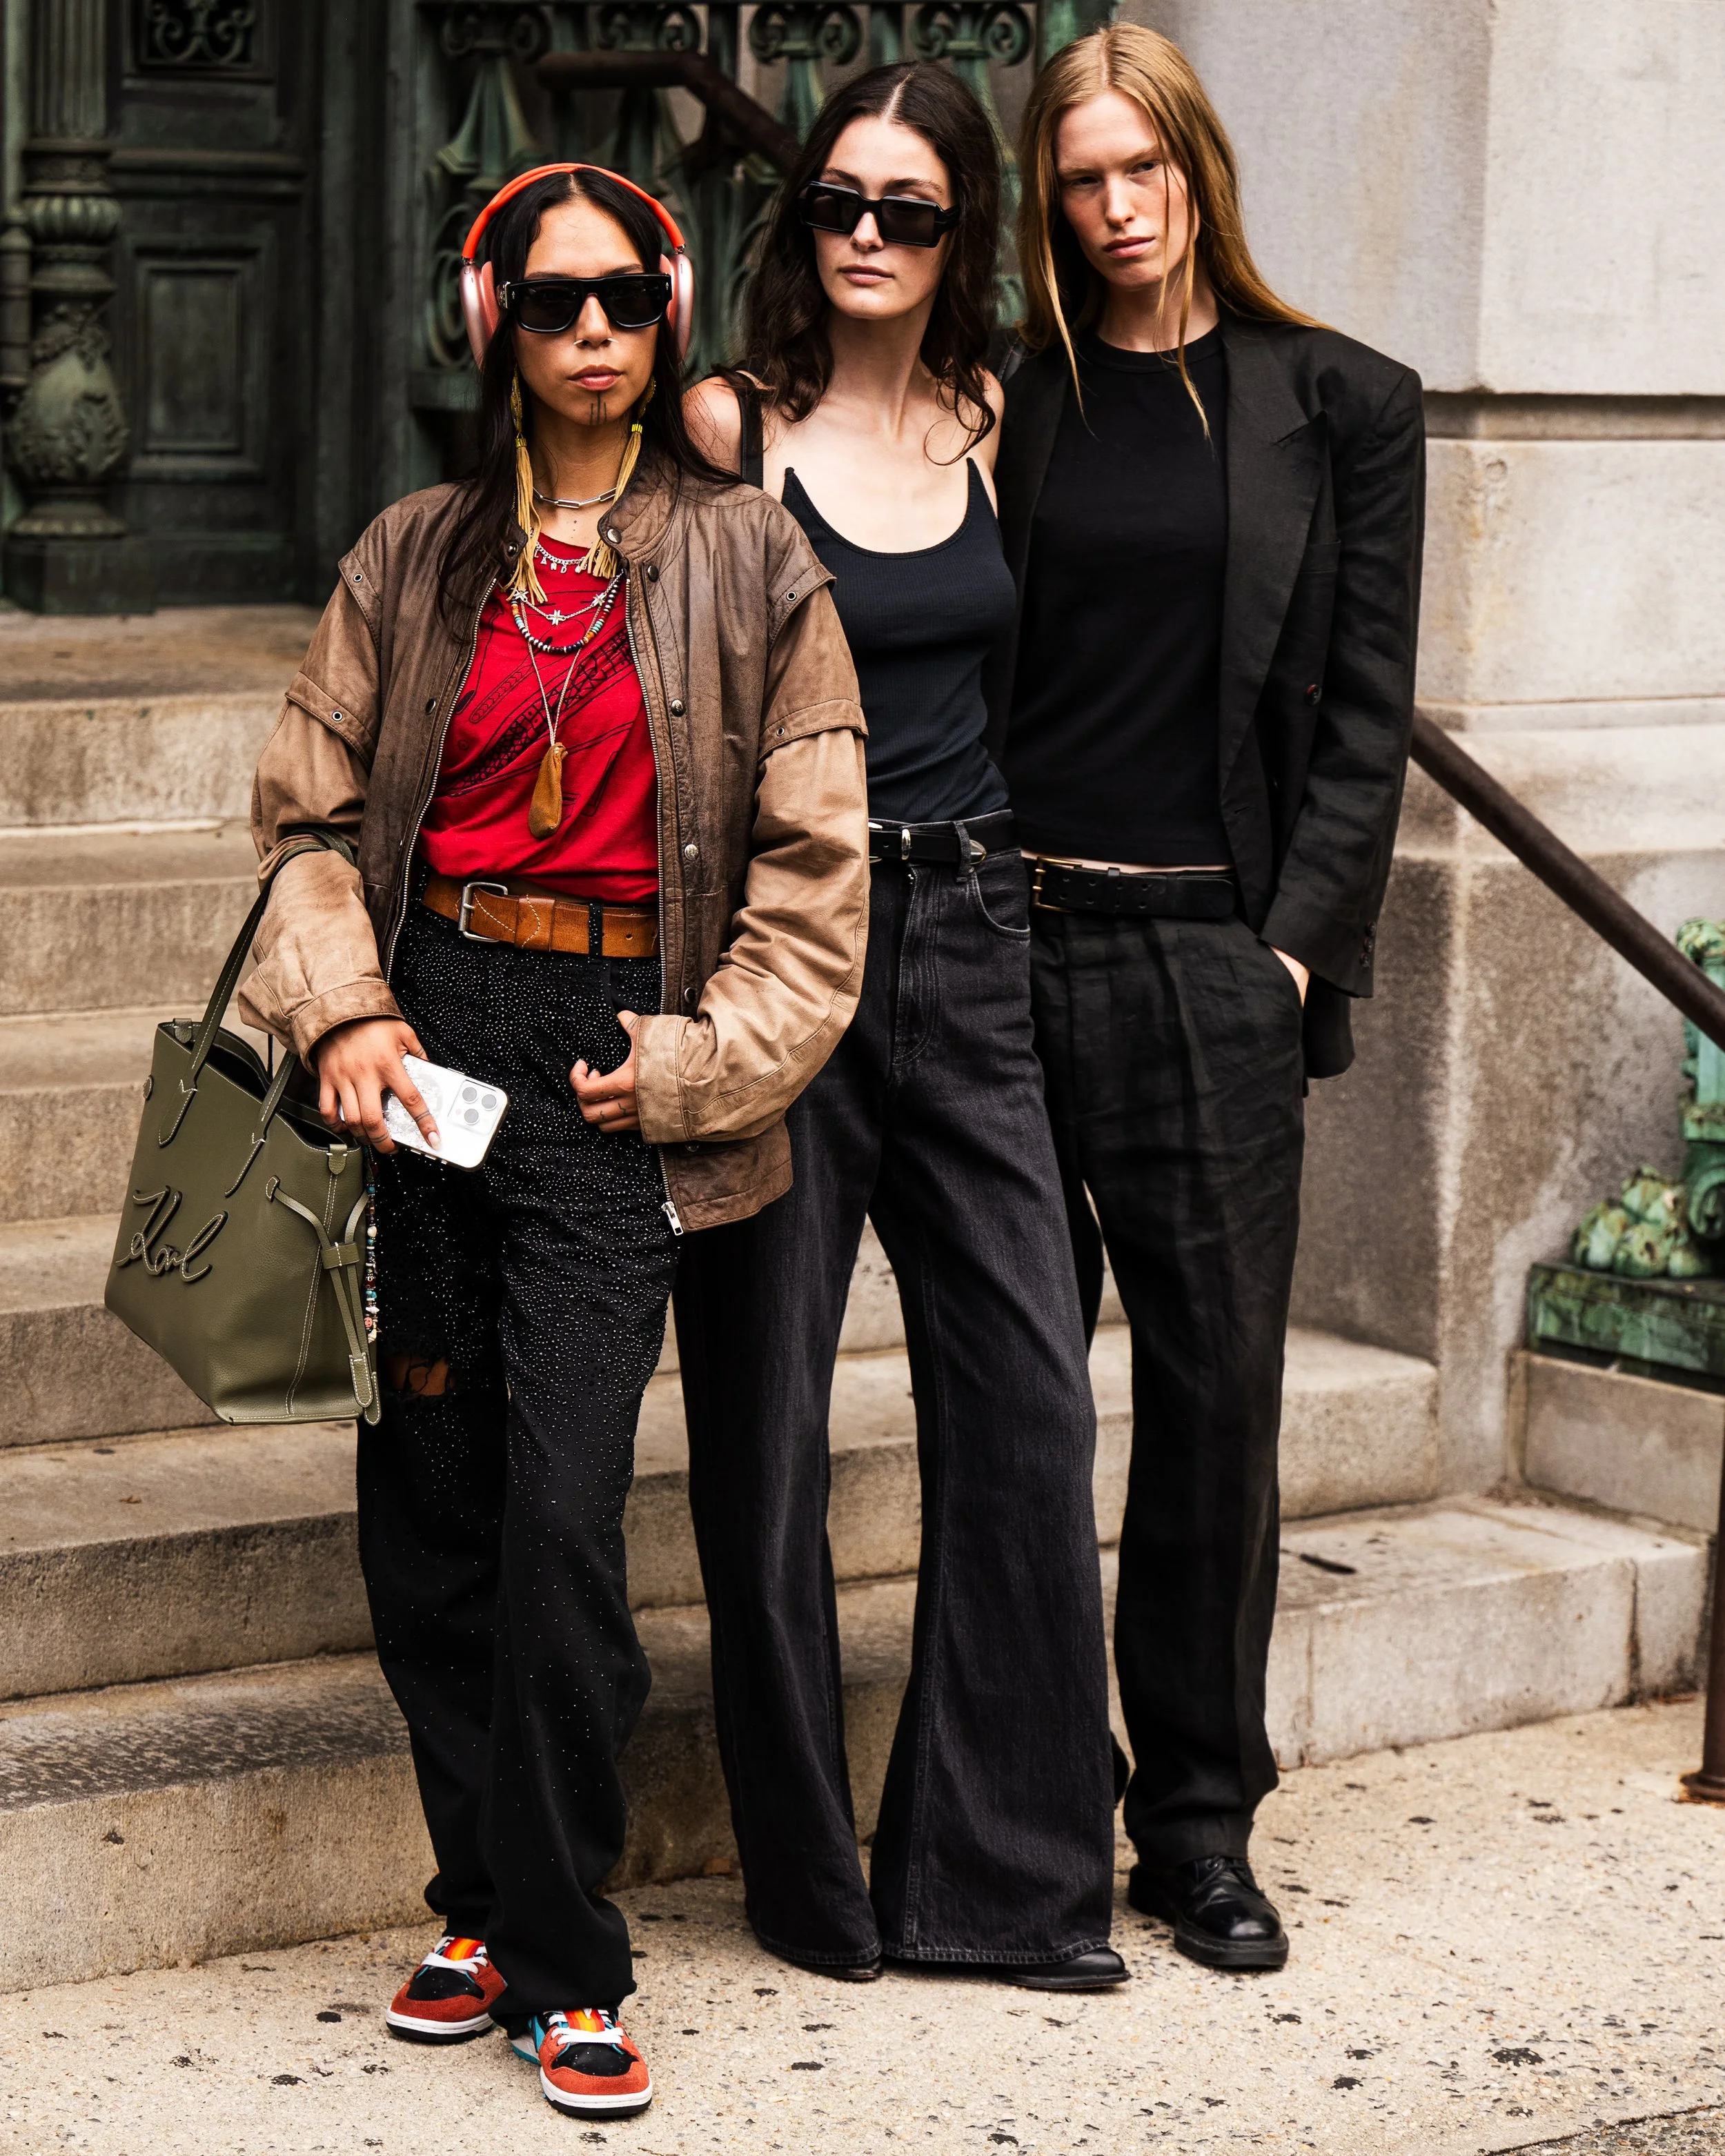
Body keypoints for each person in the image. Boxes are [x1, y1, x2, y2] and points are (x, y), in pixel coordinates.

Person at [236, 162, 869, 2120]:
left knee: (569, 1514)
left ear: (665, 311)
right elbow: (304, 823)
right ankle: (476, 1902)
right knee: (426, 1496)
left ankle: (568, 1939)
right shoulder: (413, 554)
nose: (586, 329)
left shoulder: (756, 561)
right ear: (488, 315)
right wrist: (345, 1009)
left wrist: (700, 1063)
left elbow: (817, 871)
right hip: (425, 1053)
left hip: (611, 1071)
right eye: (547, 296)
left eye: (617, 296)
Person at [680, 61, 1123, 1991]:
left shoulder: (998, 415)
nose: (866, 235)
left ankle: (1005, 1882)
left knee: (1027, 1387)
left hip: (967, 932)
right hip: (786, 944)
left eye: (910, 211)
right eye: (842, 203)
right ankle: (813, 1885)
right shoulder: (727, 423)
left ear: (961, 241)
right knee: (764, 1415)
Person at [990, 23, 1425, 1974]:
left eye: (1139, 169)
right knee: (1008, 1404)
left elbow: (1360, 714)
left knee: (1213, 1406)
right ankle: (1021, 1799)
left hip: (1203, 958)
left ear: (1197, 167)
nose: (1114, 209)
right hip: (1002, 950)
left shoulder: (1336, 402)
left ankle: (1196, 1818)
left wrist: (1285, 950)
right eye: (1079, 180)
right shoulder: (1011, 401)